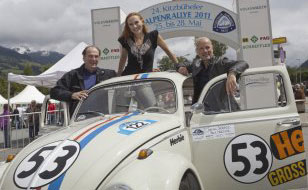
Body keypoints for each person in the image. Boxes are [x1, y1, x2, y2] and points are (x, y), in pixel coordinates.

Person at [177, 37, 249, 107]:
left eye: (207, 47)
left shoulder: (221, 63)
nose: (205, 51)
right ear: (197, 51)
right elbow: (180, 64)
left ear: (212, 48)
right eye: (201, 48)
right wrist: (180, 67)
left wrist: (232, 73)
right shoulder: (195, 65)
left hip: (222, 110)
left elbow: (243, 63)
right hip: (201, 110)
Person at [50, 45, 116, 116]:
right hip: (79, 119)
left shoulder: (108, 74)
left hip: (101, 117)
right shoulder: (72, 75)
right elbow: (54, 92)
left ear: (99, 58)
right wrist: (72, 95)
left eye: (96, 56)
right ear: (84, 58)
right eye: (90, 56)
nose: (93, 59)